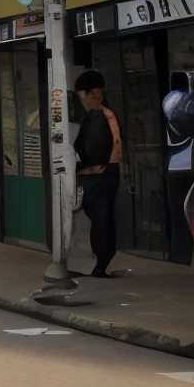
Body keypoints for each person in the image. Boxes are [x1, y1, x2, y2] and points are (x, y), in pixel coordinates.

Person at [75, 71, 123, 277]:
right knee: (105, 218)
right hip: (110, 173)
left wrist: (81, 170)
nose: (81, 101)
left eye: (81, 96)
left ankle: (99, 264)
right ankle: (103, 262)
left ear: (91, 94)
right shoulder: (108, 113)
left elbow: (94, 153)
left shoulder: (96, 118)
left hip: (99, 175)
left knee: (99, 220)